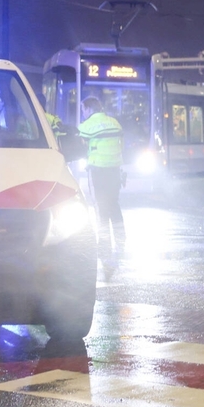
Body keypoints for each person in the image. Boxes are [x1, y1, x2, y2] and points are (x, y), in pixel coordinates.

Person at [78, 96, 125, 276]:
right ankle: (121, 237)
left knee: (101, 208)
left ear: (89, 109)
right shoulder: (114, 122)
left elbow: (79, 140)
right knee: (114, 204)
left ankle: (104, 245)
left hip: (98, 170)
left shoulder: (88, 125)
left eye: (83, 110)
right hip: (115, 170)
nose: (83, 114)